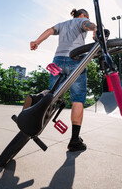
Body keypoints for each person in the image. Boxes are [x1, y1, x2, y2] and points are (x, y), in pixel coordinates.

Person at [29, 8, 96, 152]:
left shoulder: (63, 24)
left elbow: (49, 30)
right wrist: (95, 28)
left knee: (52, 95)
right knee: (77, 99)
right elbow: (86, 25)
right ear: (83, 15)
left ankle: (35, 101)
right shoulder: (81, 20)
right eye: (88, 18)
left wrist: (36, 41)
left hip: (57, 60)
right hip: (75, 60)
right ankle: (74, 141)